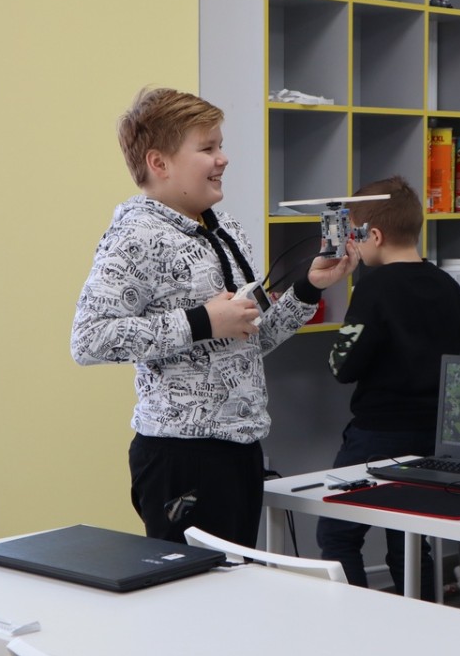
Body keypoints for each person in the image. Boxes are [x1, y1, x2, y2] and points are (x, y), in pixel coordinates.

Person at [70, 87, 358, 547]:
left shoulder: (226, 230)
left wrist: (309, 288)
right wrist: (203, 321)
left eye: (220, 145)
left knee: (235, 587)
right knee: (192, 590)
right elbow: (89, 339)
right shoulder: (135, 235)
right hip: (181, 456)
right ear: (159, 162)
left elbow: (251, 339)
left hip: (240, 450)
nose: (223, 159)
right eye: (207, 148)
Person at [316, 176, 460, 598]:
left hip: (379, 434)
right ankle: (422, 617)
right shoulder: (444, 282)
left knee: (337, 534)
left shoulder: (373, 287)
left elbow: (342, 366)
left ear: (374, 235)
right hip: (433, 436)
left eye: (355, 236)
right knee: (409, 537)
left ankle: (355, 621)